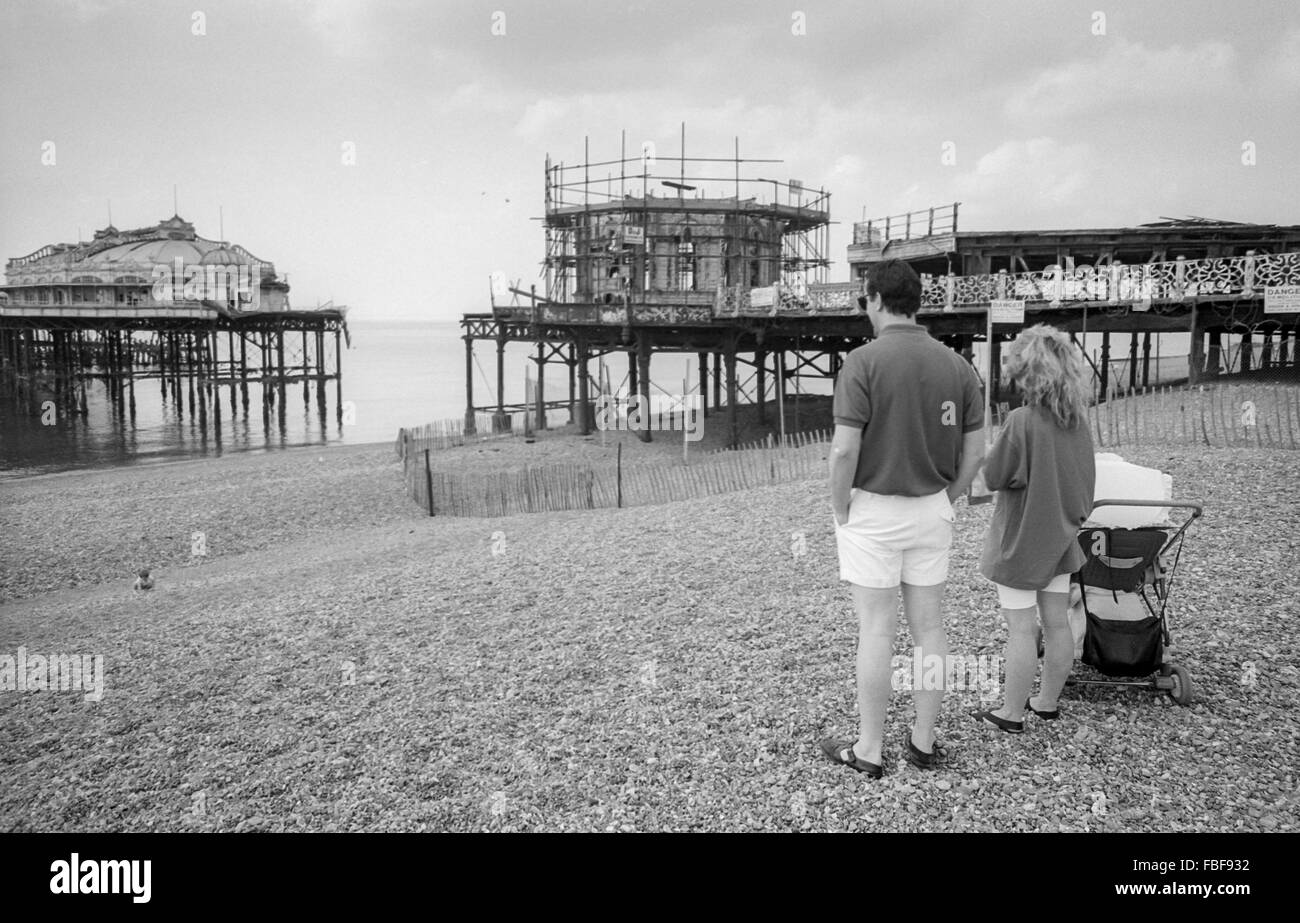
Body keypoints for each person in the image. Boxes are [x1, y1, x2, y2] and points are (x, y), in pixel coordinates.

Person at [820, 260, 986, 777]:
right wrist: (950, 497)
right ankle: (923, 741)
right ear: (919, 301)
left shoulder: (862, 363)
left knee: (875, 630)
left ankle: (869, 749)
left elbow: (844, 451)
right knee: (929, 629)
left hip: (873, 507)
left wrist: (839, 505)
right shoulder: (958, 366)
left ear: (873, 298)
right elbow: (976, 451)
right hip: (932, 507)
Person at [971, 324, 1096, 733]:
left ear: (1029, 374)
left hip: (1021, 542)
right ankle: (1047, 702)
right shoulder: (1077, 422)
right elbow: (1084, 491)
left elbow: (994, 475)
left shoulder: (1022, 420)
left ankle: (1011, 714)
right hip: (1060, 541)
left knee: (1021, 629)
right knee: (1057, 622)